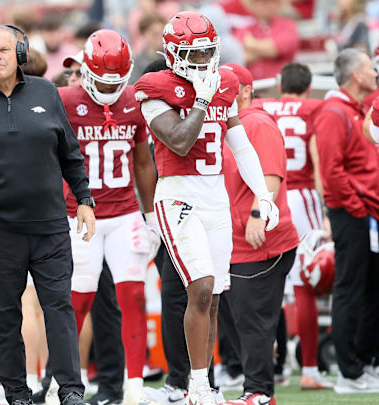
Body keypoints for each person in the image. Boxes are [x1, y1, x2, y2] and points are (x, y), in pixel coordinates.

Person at [0, 24, 95, 405]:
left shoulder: (46, 92)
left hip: (50, 225)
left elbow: (70, 154)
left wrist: (85, 200)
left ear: (20, 52)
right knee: (5, 317)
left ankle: (70, 390)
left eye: (3, 50)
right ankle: (17, 394)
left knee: (59, 307)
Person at [134, 11, 279, 405]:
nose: (201, 62)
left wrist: (262, 194)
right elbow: (180, 142)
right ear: (172, 53)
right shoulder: (154, 86)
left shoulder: (226, 81)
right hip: (178, 194)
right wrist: (200, 99)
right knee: (198, 287)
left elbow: (239, 141)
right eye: (192, 54)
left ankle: (204, 382)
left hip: (216, 196)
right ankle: (195, 387)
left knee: (212, 294)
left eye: (206, 53)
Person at [58, 28, 159, 405]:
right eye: (102, 79)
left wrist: (150, 215)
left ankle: (134, 386)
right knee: (77, 300)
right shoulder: (65, 99)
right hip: (79, 214)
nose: (110, 87)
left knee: (132, 297)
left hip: (125, 211)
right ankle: (64, 383)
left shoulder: (135, 100)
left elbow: (144, 160)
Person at [218, 63, 299, 405]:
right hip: (236, 242)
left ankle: (260, 392)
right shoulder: (227, 124)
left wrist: (256, 214)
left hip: (260, 240)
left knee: (253, 320)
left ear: (246, 90)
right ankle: (255, 385)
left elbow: (270, 175)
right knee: (242, 318)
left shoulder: (256, 122)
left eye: (227, 89)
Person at [253, 62, 333, 390]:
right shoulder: (316, 108)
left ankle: (276, 364)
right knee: (305, 286)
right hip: (304, 196)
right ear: (308, 85)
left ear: (280, 84)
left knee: (271, 285)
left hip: (270, 195)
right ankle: (310, 370)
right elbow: (321, 160)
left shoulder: (261, 106)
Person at [314, 48, 379, 394]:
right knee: (351, 289)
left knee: (369, 290)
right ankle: (349, 371)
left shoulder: (355, 111)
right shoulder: (334, 112)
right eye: (370, 68)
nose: (374, 73)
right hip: (352, 212)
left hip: (365, 212)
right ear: (356, 74)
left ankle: (365, 362)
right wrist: (356, 207)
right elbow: (331, 170)